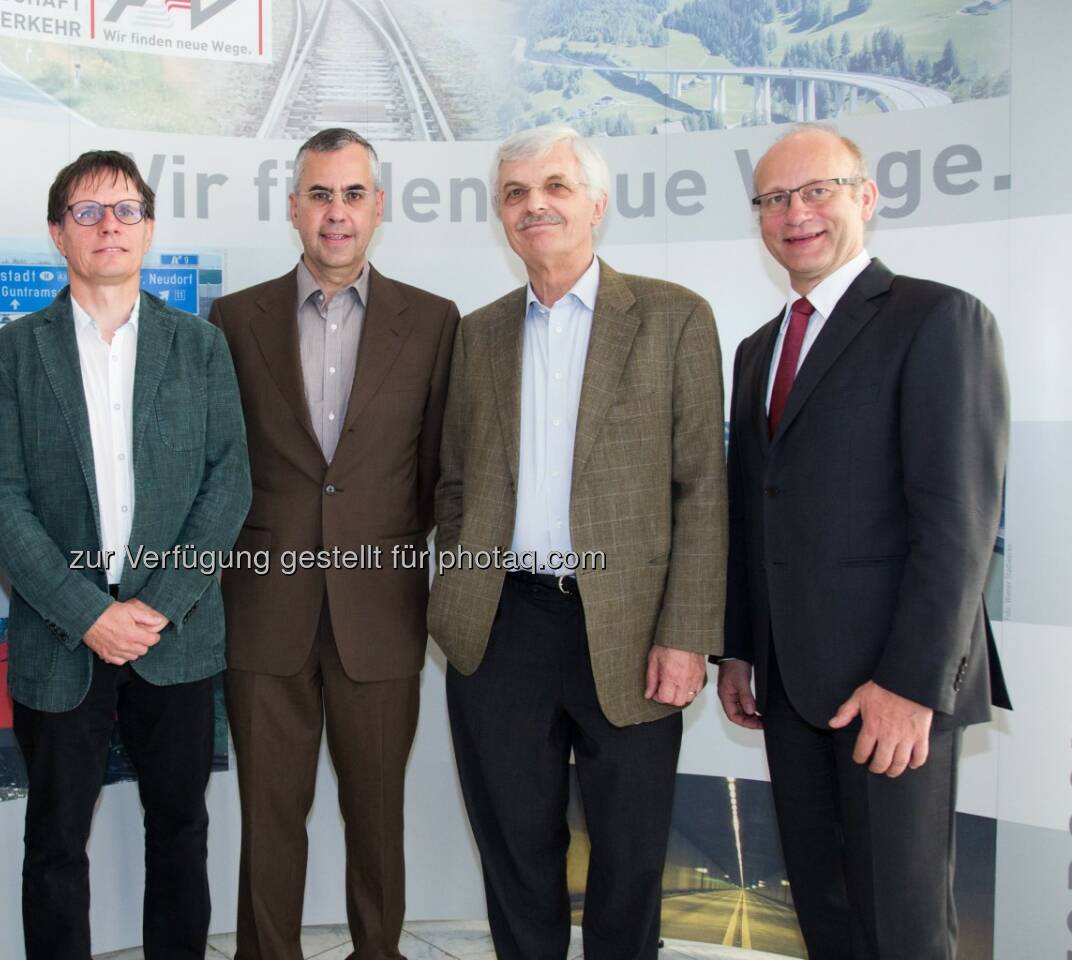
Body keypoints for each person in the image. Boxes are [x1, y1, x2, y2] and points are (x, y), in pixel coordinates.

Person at [428, 124, 726, 960]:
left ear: (596, 202)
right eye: (517, 193)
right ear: (501, 216)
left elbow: (703, 486)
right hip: (500, 627)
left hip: (632, 632)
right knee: (516, 852)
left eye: (555, 186)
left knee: (629, 856)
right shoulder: (479, 333)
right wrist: (461, 583)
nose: (536, 205)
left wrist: (687, 633)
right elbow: (454, 482)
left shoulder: (673, 319)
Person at [718, 124, 1010, 959]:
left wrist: (912, 685)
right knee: (829, 917)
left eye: (817, 191)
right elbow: (755, 510)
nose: (795, 214)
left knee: (902, 928)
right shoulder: (757, 351)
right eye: (774, 199)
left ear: (866, 197)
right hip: (790, 688)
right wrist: (741, 650)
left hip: (892, 693)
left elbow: (959, 523)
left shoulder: (938, 318)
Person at [0, 150, 250, 960]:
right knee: (55, 841)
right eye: (87, 213)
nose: (108, 226)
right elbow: (0, 499)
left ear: (150, 229)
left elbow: (228, 483)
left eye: (125, 210)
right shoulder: (16, 354)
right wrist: (90, 612)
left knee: (181, 830)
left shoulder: (199, 347)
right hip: (63, 639)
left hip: (178, 638)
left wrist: (157, 604)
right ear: (58, 233)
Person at [209, 127, 458, 960]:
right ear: (293, 209)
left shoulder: (432, 322)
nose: (337, 213)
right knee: (268, 816)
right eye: (320, 195)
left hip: (379, 610)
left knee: (376, 816)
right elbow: (224, 463)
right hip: (265, 607)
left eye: (353, 195)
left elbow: (435, 472)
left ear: (379, 208)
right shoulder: (234, 319)